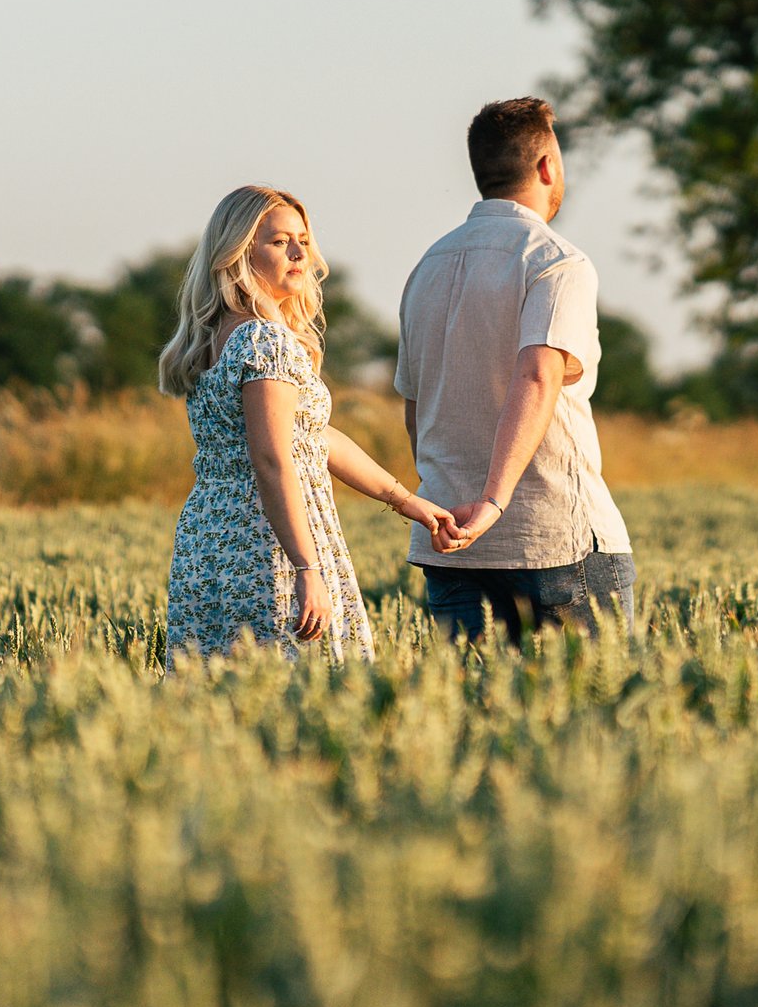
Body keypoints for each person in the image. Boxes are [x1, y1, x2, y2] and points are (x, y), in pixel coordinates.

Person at [156, 185, 453, 663]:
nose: (299, 253)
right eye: (279, 242)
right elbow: (273, 460)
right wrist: (307, 566)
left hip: (208, 544)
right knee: (298, 692)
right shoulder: (265, 339)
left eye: (303, 240)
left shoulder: (214, 337)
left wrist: (407, 501)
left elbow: (312, 439)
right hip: (265, 544)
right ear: (237, 252)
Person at [395, 98, 637, 642]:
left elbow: (415, 408)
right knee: (589, 716)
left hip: (449, 541)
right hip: (552, 537)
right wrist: (494, 503)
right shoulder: (556, 261)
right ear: (548, 165)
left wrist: (454, 500)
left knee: (468, 717)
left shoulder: (426, 268)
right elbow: (538, 375)